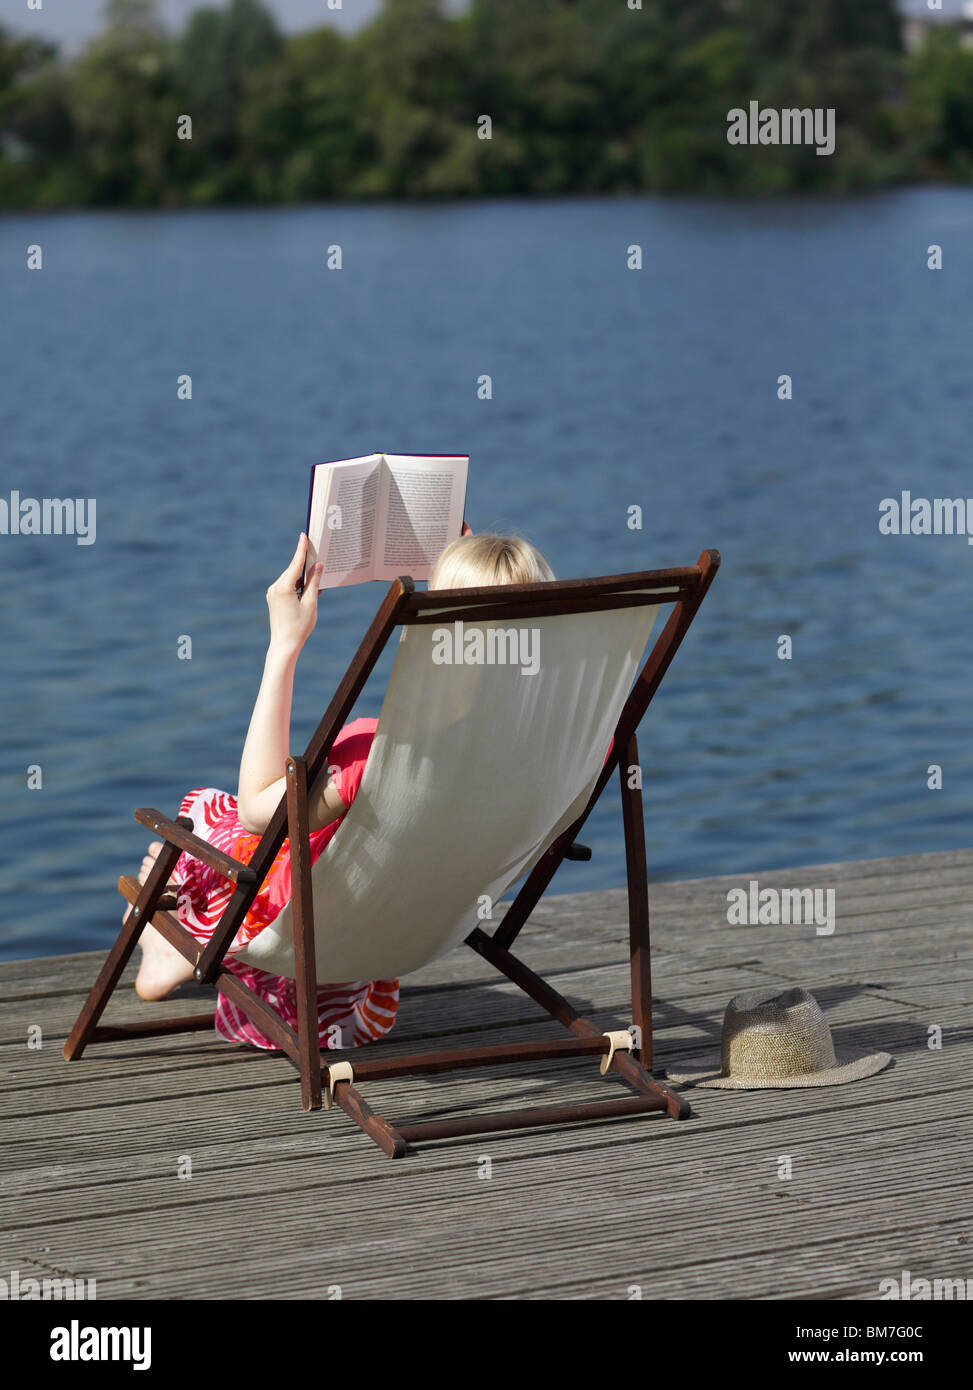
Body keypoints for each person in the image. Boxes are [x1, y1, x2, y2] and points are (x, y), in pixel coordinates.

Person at [131, 528, 555, 1051]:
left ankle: (177, 936)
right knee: (326, 838)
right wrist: (484, 568)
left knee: (197, 835)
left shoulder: (381, 752)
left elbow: (256, 812)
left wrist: (284, 644)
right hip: (408, 932)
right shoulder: (569, 747)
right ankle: (181, 930)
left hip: (316, 926)